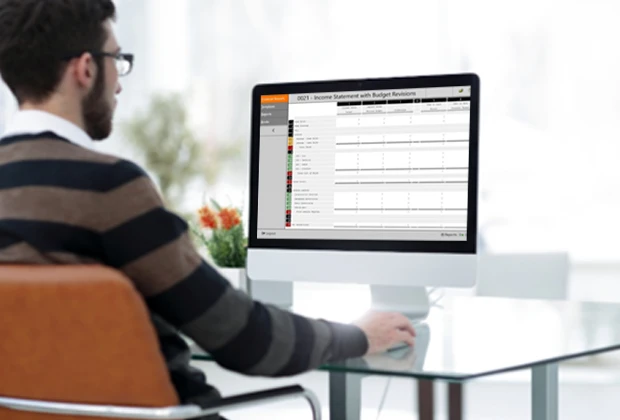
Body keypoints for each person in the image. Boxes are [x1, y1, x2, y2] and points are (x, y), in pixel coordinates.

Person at [0, 0, 416, 416]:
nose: (120, 84)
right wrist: (356, 335)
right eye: (117, 60)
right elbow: (246, 340)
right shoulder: (111, 189)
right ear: (86, 69)